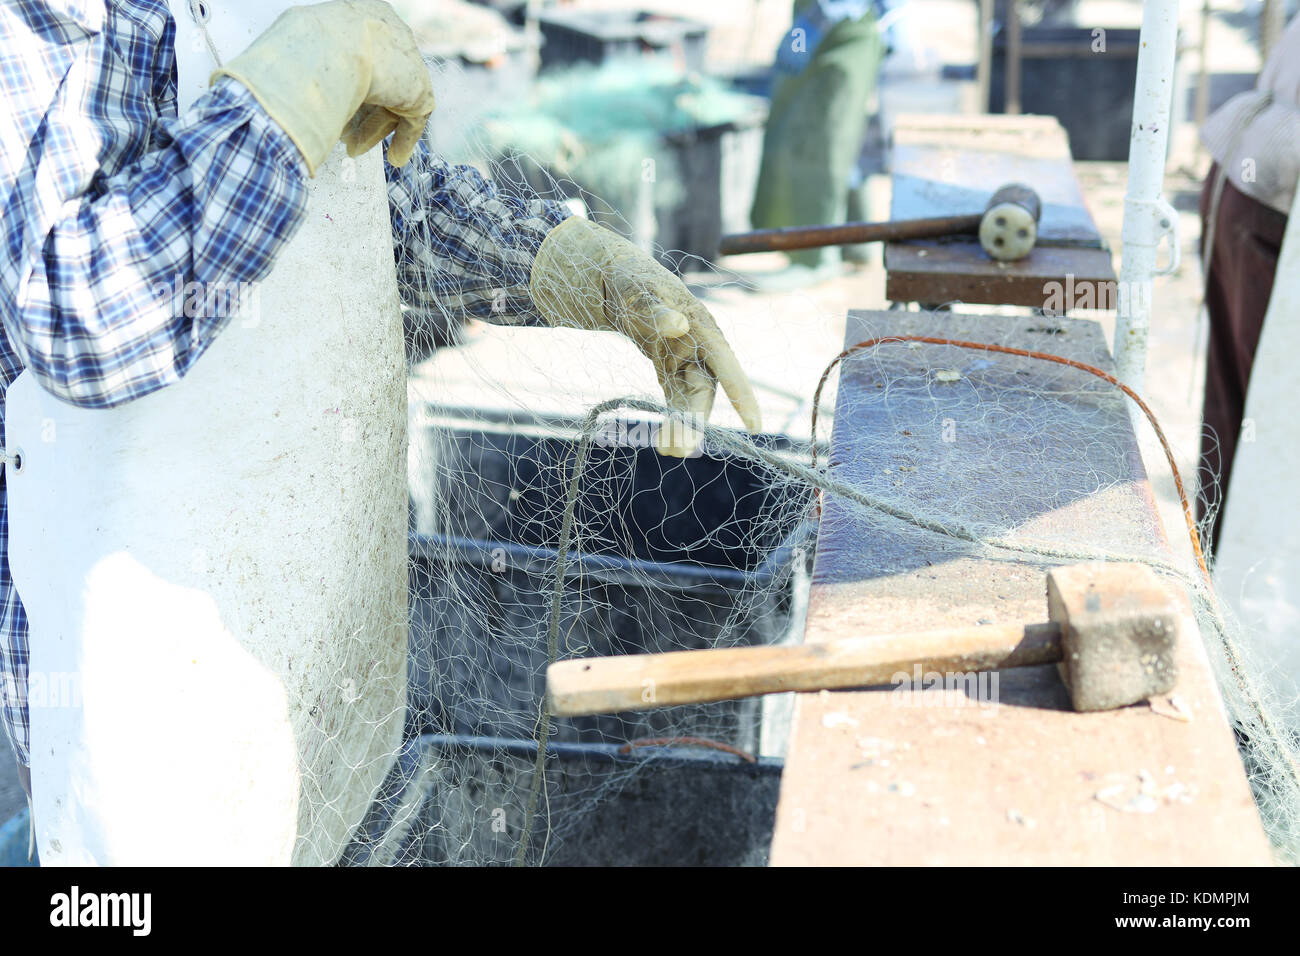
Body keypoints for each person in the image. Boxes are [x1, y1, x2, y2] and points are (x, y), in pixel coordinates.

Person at [0, 0, 760, 848]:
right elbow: (79, 316)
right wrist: (293, 84)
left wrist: (568, 263)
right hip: (140, 648)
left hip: (293, 601)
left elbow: (384, 213)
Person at [1197, 14, 1300, 556]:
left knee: (1244, 412)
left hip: (1251, 183)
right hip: (1270, 197)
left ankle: (1222, 581)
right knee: (1269, 424)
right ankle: (1233, 594)